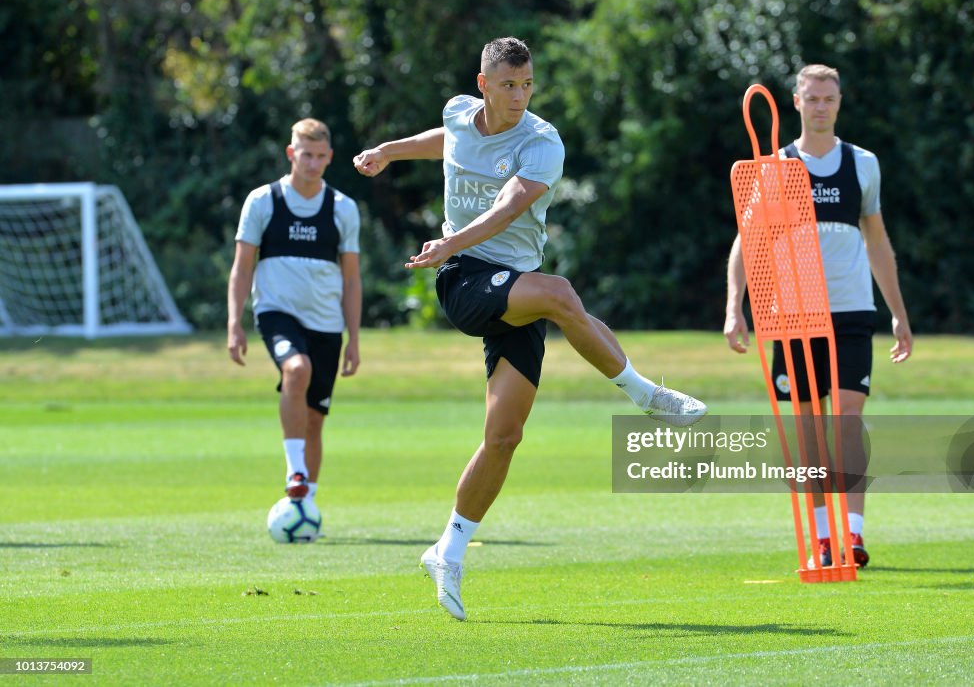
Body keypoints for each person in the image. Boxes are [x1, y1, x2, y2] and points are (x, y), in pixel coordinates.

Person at [354, 36, 706, 620]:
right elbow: (446, 141)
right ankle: (647, 396)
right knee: (561, 295)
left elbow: (510, 209)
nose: (519, 97)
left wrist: (445, 240)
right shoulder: (457, 113)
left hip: (507, 283)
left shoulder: (542, 142)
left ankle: (447, 550)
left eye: (527, 85)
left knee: (504, 437)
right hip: (465, 281)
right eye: (509, 86)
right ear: (483, 85)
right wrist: (389, 150)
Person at [724, 64, 913, 569]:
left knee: (847, 419)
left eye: (829, 98)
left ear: (840, 101)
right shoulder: (776, 166)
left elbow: (876, 239)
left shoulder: (863, 163)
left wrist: (898, 313)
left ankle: (852, 535)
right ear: (797, 102)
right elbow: (749, 238)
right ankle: (823, 536)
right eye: (812, 98)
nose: (821, 106)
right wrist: (733, 307)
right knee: (808, 426)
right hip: (795, 309)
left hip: (852, 307)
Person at [228, 118, 362, 505]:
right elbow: (242, 267)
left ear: (330, 157)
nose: (313, 164)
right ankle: (295, 470)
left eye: (321, 157)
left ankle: (303, 507)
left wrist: (353, 338)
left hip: (326, 323)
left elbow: (352, 280)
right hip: (276, 312)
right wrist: (234, 323)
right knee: (296, 368)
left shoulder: (343, 208)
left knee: (315, 419)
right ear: (291, 154)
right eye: (306, 155)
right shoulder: (262, 201)